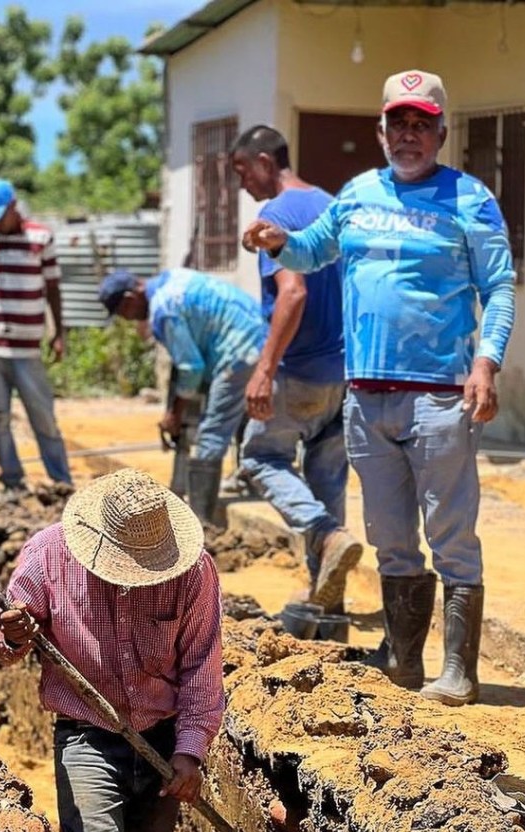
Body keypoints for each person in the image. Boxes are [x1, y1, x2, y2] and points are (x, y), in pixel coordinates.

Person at [243, 71, 516, 706]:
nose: (409, 134)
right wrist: (280, 242)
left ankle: (459, 671)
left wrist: (488, 362)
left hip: (441, 395)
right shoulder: (359, 193)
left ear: (443, 132)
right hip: (365, 396)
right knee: (391, 535)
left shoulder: (470, 200)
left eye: (422, 123)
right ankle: (403, 659)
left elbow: (499, 287)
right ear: (381, 130)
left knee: (451, 534)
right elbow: (312, 251)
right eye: (399, 122)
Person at [0, 468, 224, 832]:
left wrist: (190, 752)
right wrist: (15, 632)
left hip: (160, 739)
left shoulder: (193, 573)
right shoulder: (51, 553)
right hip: (87, 734)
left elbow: (203, 664)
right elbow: (9, 638)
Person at [230, 125, 362, 609]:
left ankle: (326, 535)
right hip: (342, 371)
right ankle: (328, 597)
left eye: (243, 171)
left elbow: (293, 291)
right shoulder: (331, 204)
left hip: (300, 370)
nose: (243, 184)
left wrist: (265, 368)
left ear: (266, 162)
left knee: (260, 458)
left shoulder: (276, 215)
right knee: (327, 479)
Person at [97, 268, 264, 526]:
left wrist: (175, 413)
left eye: (124, 314)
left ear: (131, 298)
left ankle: (201, 520)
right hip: (262, 337)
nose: (129, 320)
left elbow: (190, 367)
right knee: (245, 418)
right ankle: (251, 482)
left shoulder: (165, 309)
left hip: (238, 351)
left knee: (212, 431)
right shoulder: (172, 279)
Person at [0, 177, 73, 495]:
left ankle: (61, 482)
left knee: (42, 414)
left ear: (13, 207)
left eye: (0, 215)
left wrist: (59, 331)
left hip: (26, 344)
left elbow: (53, 287)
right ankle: (12, 480)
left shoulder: (40, 237)